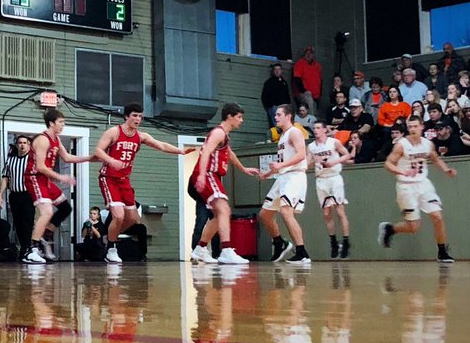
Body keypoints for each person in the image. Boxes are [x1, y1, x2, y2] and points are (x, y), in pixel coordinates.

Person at [94, 102, 186, 264]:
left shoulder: (141, 136)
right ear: (126, 116)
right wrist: (112, 161)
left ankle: (109, 238)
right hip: (108, 178)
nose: (138, 119)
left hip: (124, 180)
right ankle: (111, 248)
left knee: (133, 219)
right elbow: (98, 151)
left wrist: (180, 151)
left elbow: (161, 145)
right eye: (135, 116)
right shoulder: (114, 132)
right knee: (119, 216)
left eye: (140, 116)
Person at [378, 115, 457, 262]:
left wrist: (446, 170)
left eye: (415, 126)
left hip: (423, 184)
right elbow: (388, 164)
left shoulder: (428, 144)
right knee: (413, 227)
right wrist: (403, 172)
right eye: (410, 127)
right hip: (406, 187)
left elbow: (435, 159)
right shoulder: (401, 145)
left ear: (422, 126)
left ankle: (442, 252)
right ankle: (390, 229)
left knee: (437, 216)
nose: (413, 129)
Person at [188, 103, 260, 265]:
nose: (241, 120)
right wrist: (201, 175)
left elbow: (229, 153)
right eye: (239, 117)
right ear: (229, 117)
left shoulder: (224, 136)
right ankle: (226, 250)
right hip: (208, 174)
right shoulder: (218, 133)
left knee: (220, 213)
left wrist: (243, 168)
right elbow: (205, 152)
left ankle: (200, 248)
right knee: (224, 209)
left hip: (211, 175)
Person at [23, 109, 96, 265]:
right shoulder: (43, 139)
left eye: (64, 122)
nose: (63, 125)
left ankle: (45, 235)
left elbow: (67, 157)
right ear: (51, 123)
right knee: (47, 212)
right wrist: (60, 176)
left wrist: (90, 158)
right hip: (34, 178)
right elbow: (40, 167)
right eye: (61, 122)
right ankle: (31, 250)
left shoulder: (56, 139)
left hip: (45, 180)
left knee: (65, 208)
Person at [260, 105, 310, 265]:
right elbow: (284, 161)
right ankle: (280, 243)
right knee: (265, 214)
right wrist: (268, 173)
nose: (275, 117)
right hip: (283, 177)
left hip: (294, 176)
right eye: (275, 115)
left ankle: (302, 253)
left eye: (279, 114)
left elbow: (301, 155)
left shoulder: (295, 132)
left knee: (286, 212)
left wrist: (280, 166)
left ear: (288, 116)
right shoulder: (283, 136)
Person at [307, 122, 354, 259]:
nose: (315, 130)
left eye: (318, 128)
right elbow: (307, 165)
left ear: (324, 130)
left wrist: (333, 162)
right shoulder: (311, 146)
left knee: (340, 211)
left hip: (334, 178)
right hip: (321, 180)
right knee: (326, 213)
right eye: (314, 128)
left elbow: (347, 155)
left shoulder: (334, 142)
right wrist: (315, 160)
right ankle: (333, 242)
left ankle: (346, 241)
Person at [0, 135, 34, 254]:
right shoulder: (11, 160)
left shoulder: (32, 160)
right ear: (16, 145)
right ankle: (23, 249)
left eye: (25, 143)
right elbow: (5, 177)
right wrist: (0, 194)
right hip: (14, 195)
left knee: (27, 223)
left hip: (28, 195)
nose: (22, 145)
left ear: (29, 145)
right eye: (20, 143)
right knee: (18, 223)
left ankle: (27, 248)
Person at [293, 47, 322, 113]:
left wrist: (319, 94)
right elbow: (297, 79)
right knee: (310, 109)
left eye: (310, 53)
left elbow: (320, 80)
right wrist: (304, 91)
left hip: (315, 95)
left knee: (315, 112)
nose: (308, 55)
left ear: (313, 55)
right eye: (307, 53)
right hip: (304, 93)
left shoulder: (318, 65)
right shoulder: (300, 63)